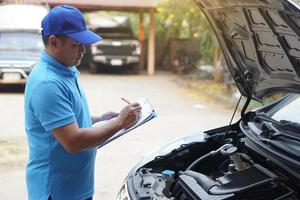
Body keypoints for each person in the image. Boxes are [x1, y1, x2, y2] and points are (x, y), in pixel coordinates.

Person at [24, 5, 141, 200]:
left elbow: (69, 120)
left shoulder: (64, 71)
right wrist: (119, 122)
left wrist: (98, 119)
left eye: (83, 44)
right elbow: (73, 141)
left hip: (74, 187)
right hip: (56, 192)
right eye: (76, 45)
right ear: (54, 42)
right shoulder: (47, 83)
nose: (83, 51)